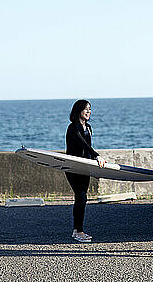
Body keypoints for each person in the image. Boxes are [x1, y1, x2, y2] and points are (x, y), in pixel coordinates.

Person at [65, 99, 106, 243]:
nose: (88, 112)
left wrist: (93, 165)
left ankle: (77, 230)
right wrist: (97, 155)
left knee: (82, 198)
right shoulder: (72, 128)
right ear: (78, 111)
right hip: (73, 166)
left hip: (84, 166)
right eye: (86, 109)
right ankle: (78, 231)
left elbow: (87, 149)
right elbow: (82, 144)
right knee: (81, 196)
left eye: (90, 109)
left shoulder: (88, 127)